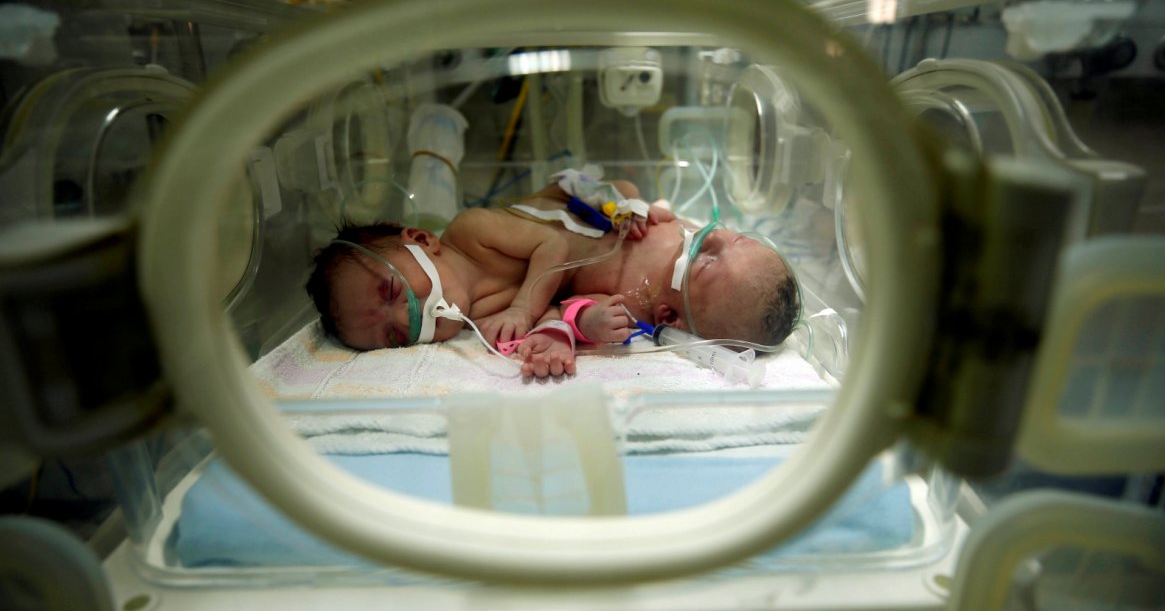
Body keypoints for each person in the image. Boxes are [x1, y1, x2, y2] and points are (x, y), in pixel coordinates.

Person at [305, 175, 800, 378]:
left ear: (421, 239)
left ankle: (639, 207)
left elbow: (554, 248)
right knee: (629, 297)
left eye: (392, 291)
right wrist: (561, 335)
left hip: (594, 218)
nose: (409, 315)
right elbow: (560, 303)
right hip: (607, 272)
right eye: (394, 335)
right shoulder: (478, 320)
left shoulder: (470, 232)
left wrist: (524, 310)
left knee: (626, 197)